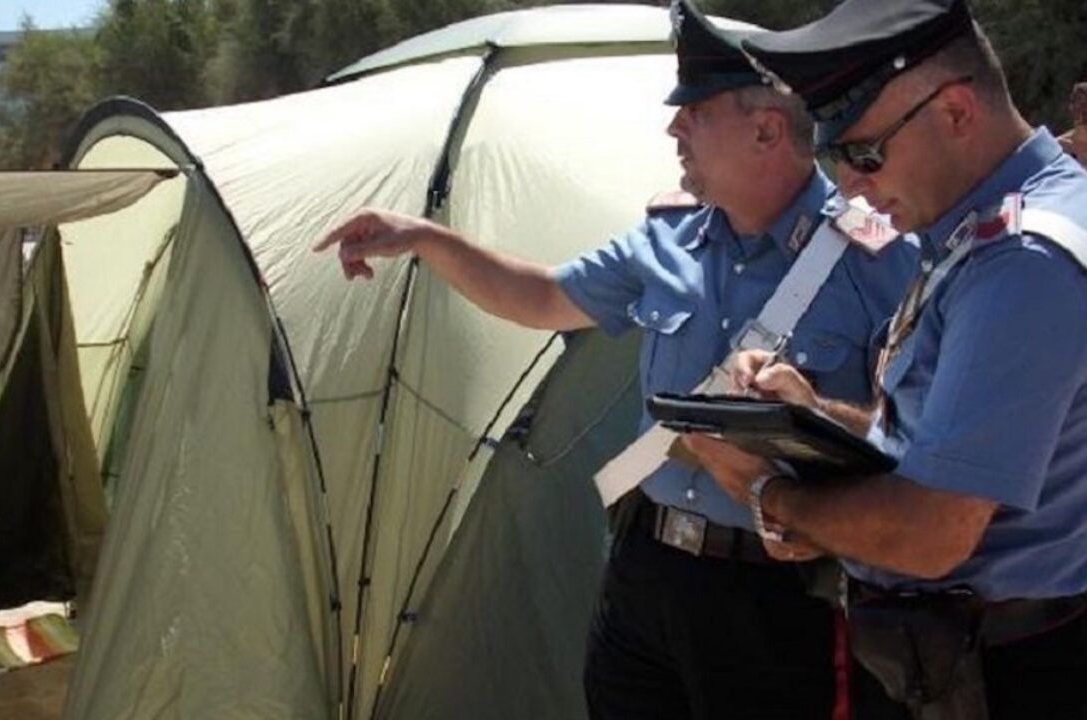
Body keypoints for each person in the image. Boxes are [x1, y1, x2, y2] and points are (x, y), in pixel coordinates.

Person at [315, 4, 918, 718]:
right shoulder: (664, 240)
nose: (673, 130)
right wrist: (423, 238)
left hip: (779, 596)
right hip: (645, 573)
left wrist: (813, 411)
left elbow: (913, 439)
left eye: (693, 111)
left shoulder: (882, 258)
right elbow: (541, 296)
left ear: (766, 129)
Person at [682, 1, 1087, 718]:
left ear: (957, 110)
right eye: (836, 158)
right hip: (961, 659)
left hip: (1000, 674)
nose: (851, 185)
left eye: (865, 153)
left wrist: (771, 498)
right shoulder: (988, 228)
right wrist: (811, 413)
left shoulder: (1020, 260)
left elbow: (932, 532)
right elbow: (941, 439)